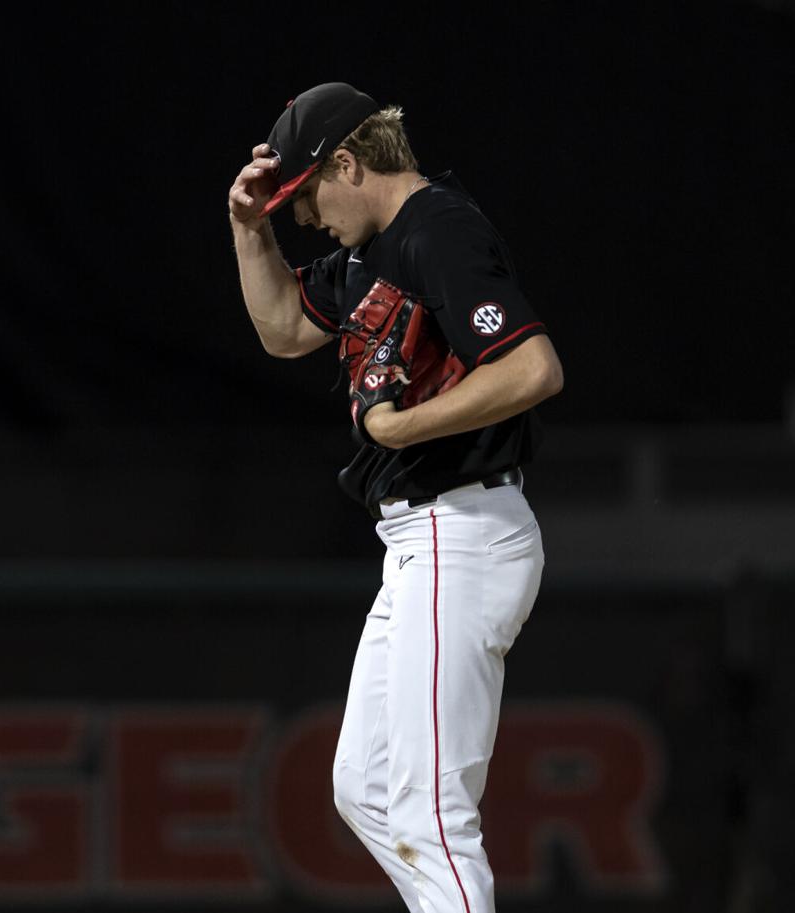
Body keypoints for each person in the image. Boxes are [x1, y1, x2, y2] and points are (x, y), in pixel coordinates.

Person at [227, 83, 563, 913]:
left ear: (348, 162)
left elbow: (532, 369)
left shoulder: (436, 229)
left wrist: (405, 429)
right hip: (424, 537)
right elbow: (280, 329)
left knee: (427, 809)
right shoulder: (366, 255)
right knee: (367, 787)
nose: (301, 217)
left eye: (304, 196)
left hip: (465, 523)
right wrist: (249, 228)